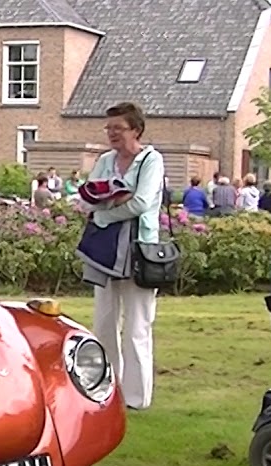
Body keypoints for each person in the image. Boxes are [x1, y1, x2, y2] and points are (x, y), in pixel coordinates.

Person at [75, 102, 164, 411]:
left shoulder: (151, 160)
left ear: (135, 130)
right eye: (109, 128)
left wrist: (105, 213)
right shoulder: (105, 160)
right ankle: (106, 391)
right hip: (105, 251)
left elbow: (140, 203)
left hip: (140, 250)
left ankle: (137, 399)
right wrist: (109, 203)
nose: (112, 133)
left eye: (118, 128)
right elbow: (88, 196)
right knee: (104, 321)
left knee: (138, 325)